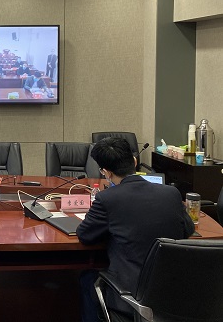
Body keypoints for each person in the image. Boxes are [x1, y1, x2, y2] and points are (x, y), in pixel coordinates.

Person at [76, 137, 194, 322]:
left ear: (106, 173)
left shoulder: (107, 199)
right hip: (173, 296)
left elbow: (85, 235)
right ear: (134, 161)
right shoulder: (171, 193)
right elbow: (188, 229)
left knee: (87, 278)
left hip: (131, 299)